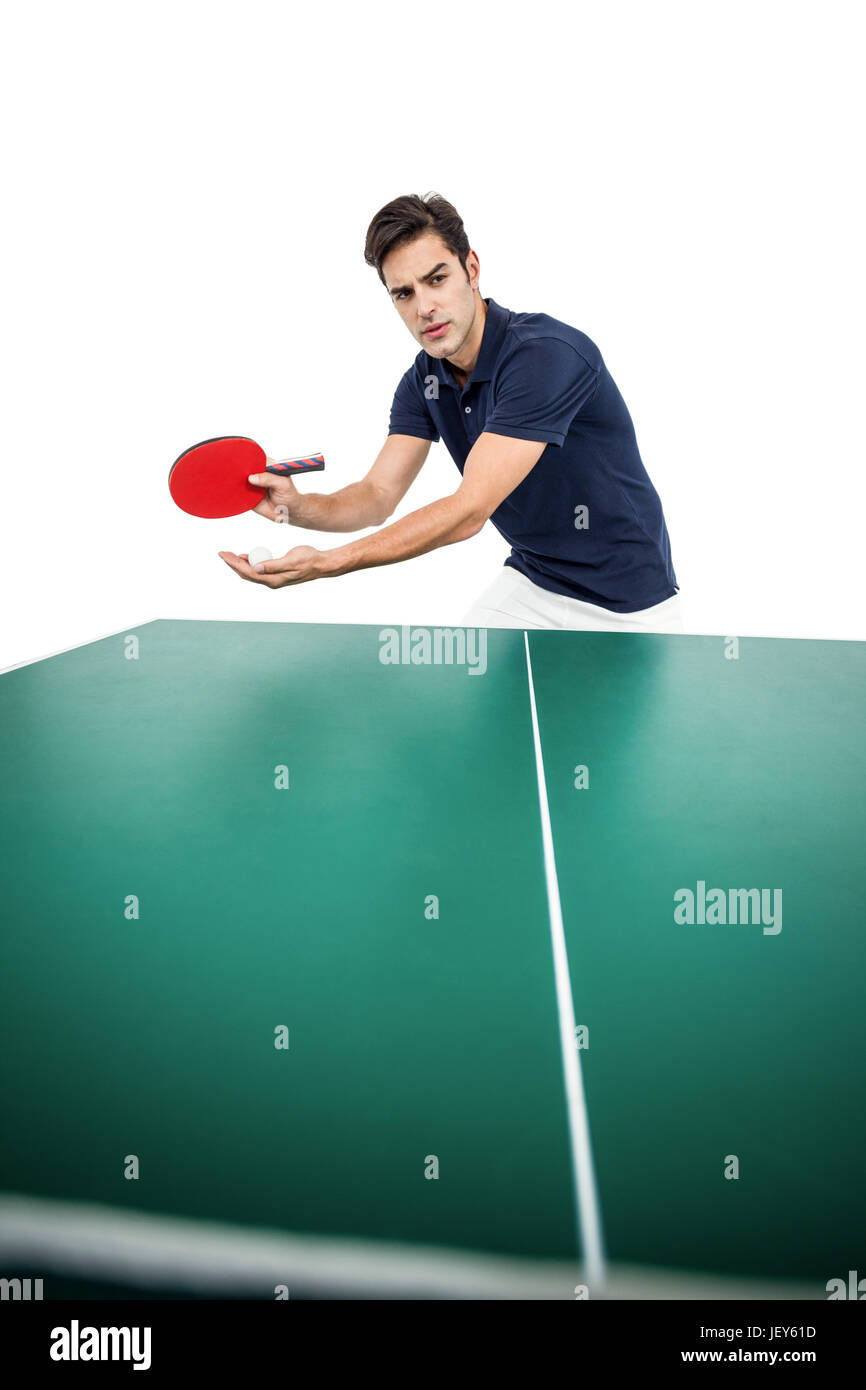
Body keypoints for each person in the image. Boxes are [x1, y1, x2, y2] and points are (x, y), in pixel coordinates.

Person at [220, 192, 683, 634]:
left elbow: (469, 511)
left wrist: (331, 561)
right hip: (534, 582)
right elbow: (377, 494)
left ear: (472, 269)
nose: (424, 307)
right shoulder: (423, 382)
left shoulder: (546, 356)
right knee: (460, 699)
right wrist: (294, 509)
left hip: (630, 604)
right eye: (403, 293)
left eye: (436, 279)